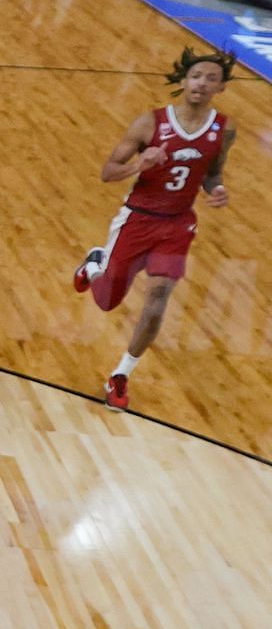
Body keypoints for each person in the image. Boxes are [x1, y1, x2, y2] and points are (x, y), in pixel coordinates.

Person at [72, 50, 235, 411]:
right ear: (183, 81)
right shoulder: (149, 123)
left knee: (159, 298)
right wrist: (138, 167)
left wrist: (217, 189)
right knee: (107, 301)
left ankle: (120, 375)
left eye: (211, 78)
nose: (201, 83)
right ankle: (94, 264)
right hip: (137, 218)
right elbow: (107, 172)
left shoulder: (224, 129)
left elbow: (211, 172)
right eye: (196, 76)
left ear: (221, 87)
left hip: (177, 224)